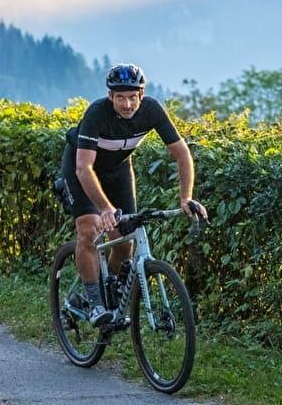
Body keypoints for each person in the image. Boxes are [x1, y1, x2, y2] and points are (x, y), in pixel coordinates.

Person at [60, 63, 207, 326]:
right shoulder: (97, 114)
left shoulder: (151, 110)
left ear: (141, 95)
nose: (127, 104)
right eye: (120, 98)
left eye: (132, 97)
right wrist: (104, 208)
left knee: (125, 239)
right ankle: (94, 303)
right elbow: (84, 168)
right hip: (81, 168)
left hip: (118, 170)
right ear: (110, 97)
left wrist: (186, 197)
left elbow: (182, 154)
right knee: (89, 230)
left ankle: (111, 292)